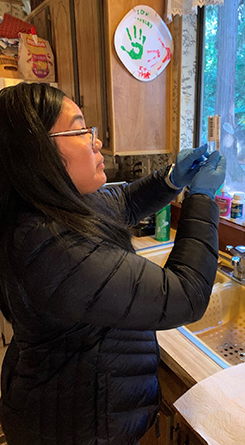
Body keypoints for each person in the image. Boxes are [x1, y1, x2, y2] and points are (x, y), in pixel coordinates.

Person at [0, 82, 226, 445]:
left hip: (85, 407)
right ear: (36, 151)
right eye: (80, 129)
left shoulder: (52, 204)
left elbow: (119, 201)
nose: (96, 141)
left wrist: (170, 179)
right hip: (74, 426)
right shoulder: (51, 244)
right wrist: (201, 199)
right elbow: (185, 295)